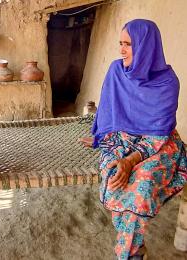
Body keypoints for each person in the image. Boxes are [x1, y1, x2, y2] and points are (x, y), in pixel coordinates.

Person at [81, 19, 187, 259]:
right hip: (120, 138)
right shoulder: (116, 71)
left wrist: (132, 161)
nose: (121, 50)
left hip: (159, 142)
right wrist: (101, 136)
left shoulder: (168, 83)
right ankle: (135, 250)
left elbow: (158, 133)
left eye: (128, 44)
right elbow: (108, 114)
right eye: (120, 43)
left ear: (146, 46)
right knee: (115, 175)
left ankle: (128, 253)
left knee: (144, 181)